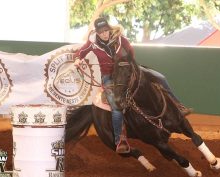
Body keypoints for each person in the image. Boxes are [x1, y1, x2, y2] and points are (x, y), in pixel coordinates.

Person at [74, 17, 191, 153]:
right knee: (116, 107)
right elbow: (80, 52)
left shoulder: (120, 38)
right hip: (110, 78)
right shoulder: (92, 43)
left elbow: (130, 53)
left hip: (128, 70)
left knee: (161, 78)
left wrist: (128, 66)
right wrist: (77, 60)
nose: (104, 34)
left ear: (109, 28)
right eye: (101, 32)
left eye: (106, 30)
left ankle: (178, 107)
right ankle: (120, 140)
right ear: (97, 33)